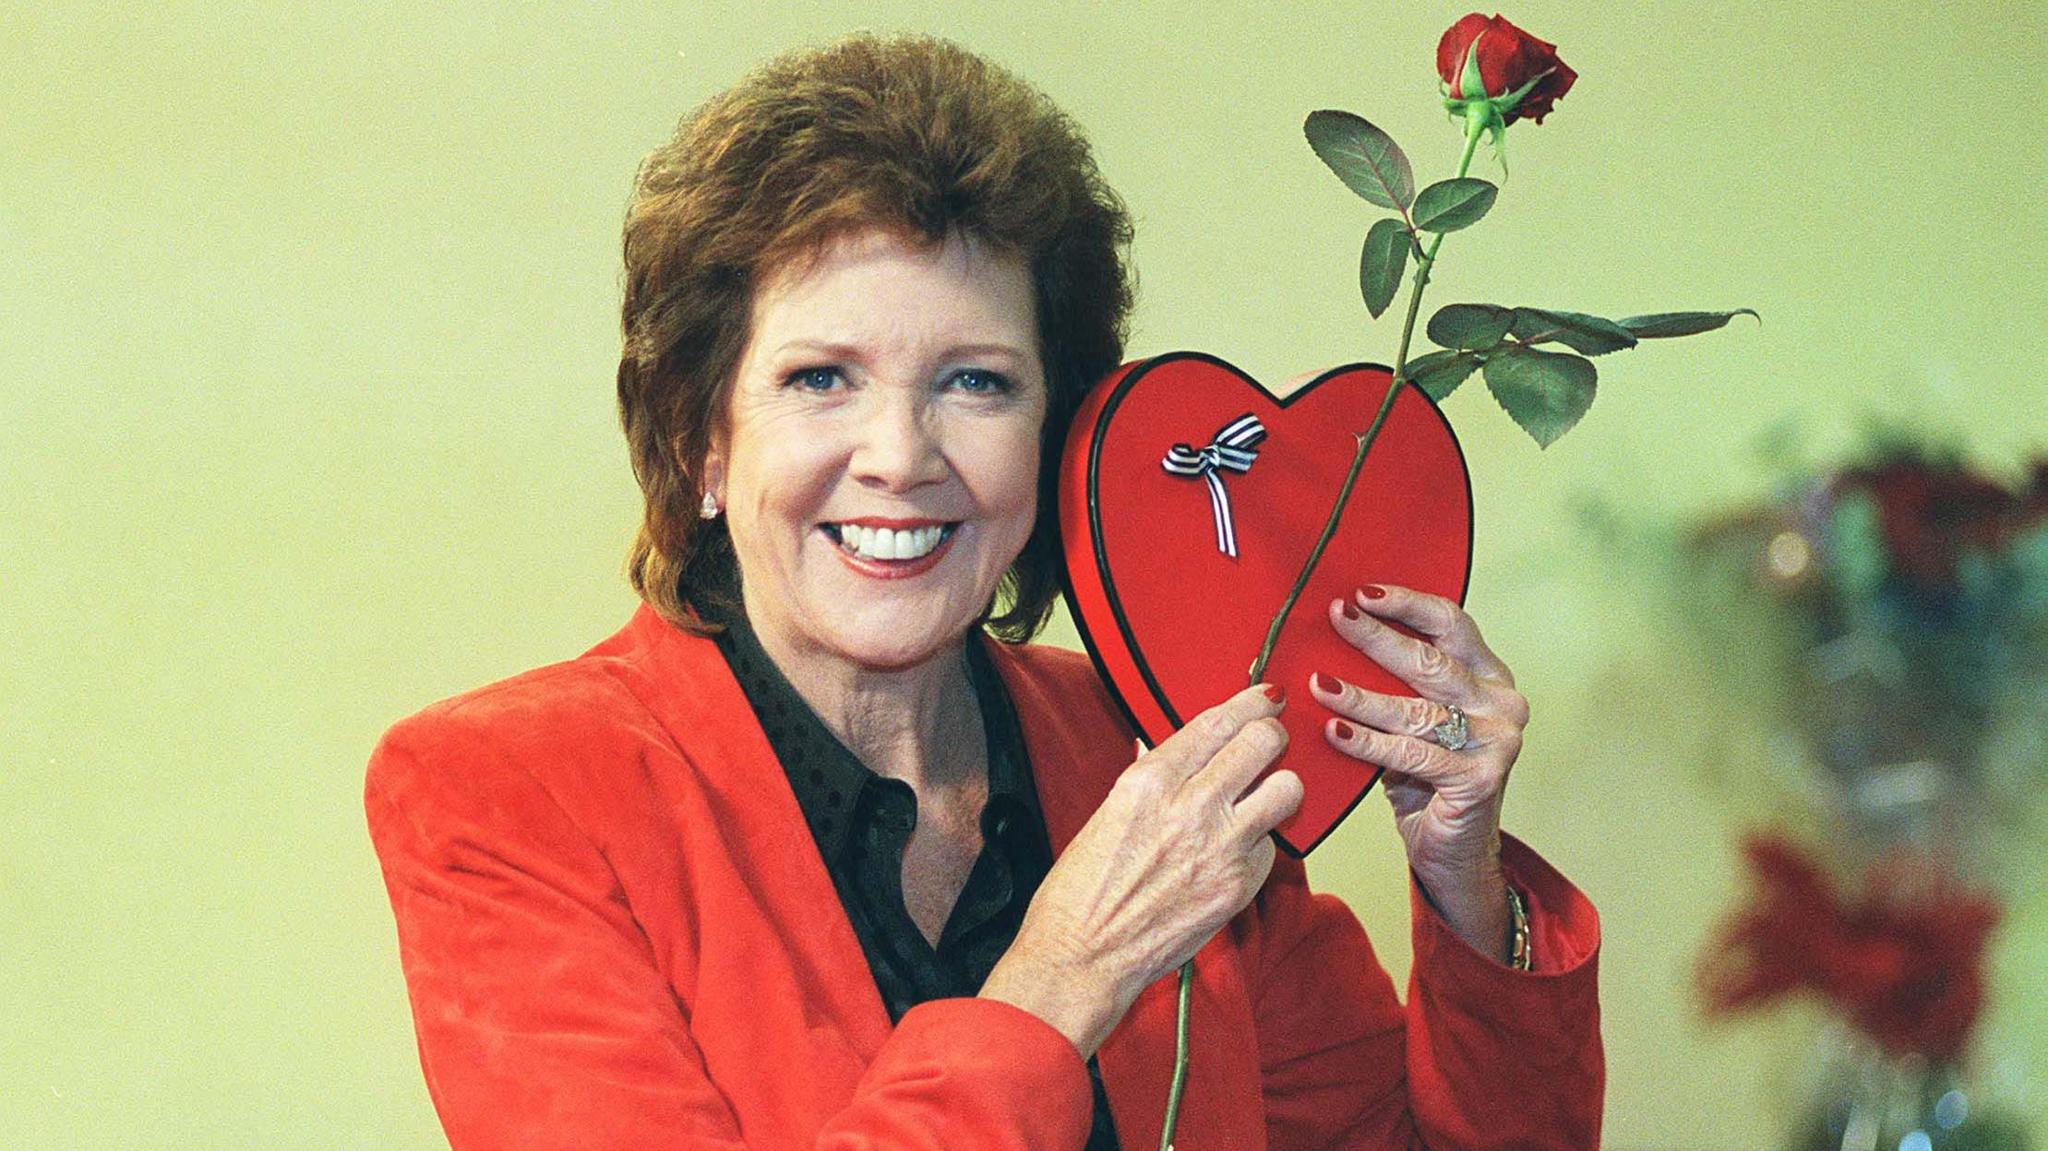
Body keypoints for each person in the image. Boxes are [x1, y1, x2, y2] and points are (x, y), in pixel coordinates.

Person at [365, 32, 1602, 1151]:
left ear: (1054, 438)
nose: (899, 456)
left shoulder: (1148, 745)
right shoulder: (506, 791)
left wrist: (1464, 883)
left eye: (976, 381)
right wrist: (1060, 980)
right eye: (819, 378)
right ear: (701, 442)